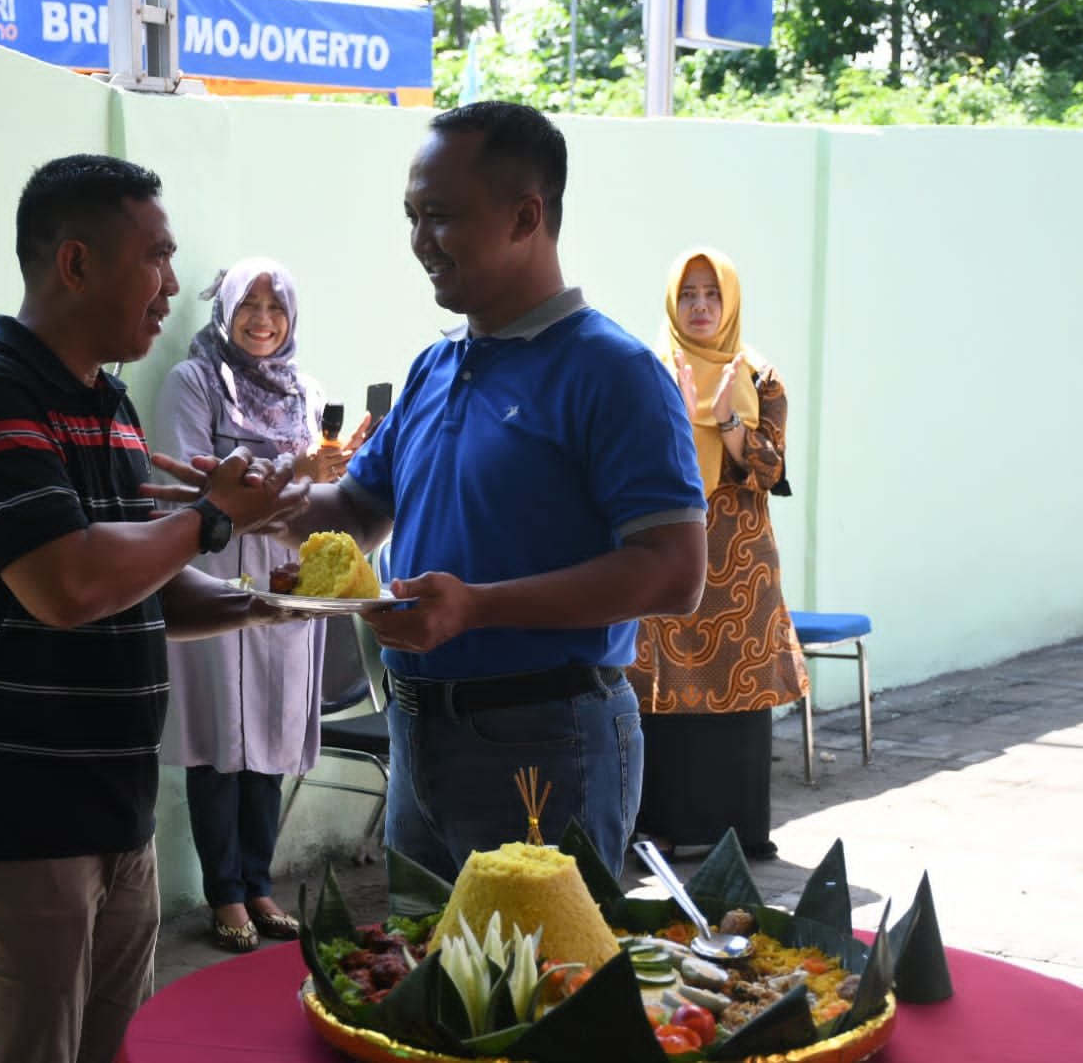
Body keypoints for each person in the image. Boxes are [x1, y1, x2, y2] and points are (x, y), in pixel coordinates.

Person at [153, 102, 709, 882]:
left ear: (525, 216)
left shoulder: (611, 372)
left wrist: (477, 606)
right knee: (430, 981)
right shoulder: (434, 368)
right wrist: (257, 507)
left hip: (545, 736)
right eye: (411, 217)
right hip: (418, 731)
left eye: (440, 217)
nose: (419, 243)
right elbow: (353, 513)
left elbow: (673, 573)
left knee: (537, 992)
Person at [0, 155, 307, 1063]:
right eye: (156, 258)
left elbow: (138, 591)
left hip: (112, 816)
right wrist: (209, 519)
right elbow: (70, 584)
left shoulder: (108, 407)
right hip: (14, 819)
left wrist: (264, 604)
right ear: (74, 264)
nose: (170, 288)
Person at [151, 257, 368, 952]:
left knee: (269, 736)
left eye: (276, 309)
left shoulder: (306, 390)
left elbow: (313, 498)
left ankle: (258, 881)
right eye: (251, 305)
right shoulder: (194, 382)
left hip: (285, 579)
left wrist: (335, 475)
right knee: (221, 739)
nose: (263, 321)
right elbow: (194, 489)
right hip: (218, 576)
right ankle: (224, 894)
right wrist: (294, 472)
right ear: (227, 311)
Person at [627, 247, 810, 863]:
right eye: (689, 294)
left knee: (735, 696)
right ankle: (660, 828)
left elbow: (770, 469)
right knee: (663, 691)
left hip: (740, 568)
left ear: (729, 302)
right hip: (668, 557)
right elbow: (628, 467)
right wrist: (677, 415)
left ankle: (738, 833)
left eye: (712, 294)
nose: (701, 306)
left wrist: (728, 417)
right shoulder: (646, 372)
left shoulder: (759, 376)